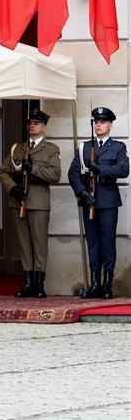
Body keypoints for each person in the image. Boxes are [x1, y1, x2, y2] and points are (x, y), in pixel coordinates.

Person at [0, 109, 61, 298]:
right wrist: (13, 188)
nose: (31, 126)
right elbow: (3, 171)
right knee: (24, 244)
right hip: (19, 201)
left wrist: (34, 168)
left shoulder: (51, 149)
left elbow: (55, 175)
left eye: (35, 123)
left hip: (38, 201)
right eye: (29, 123)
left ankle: (39, 283)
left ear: (43, 127)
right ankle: (27, 283)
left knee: (39, 244)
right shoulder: (17, 148)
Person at [68, 107, 129, 299]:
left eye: (102, 122)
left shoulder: (118, 147)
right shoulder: (84, 147)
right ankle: (95, 283)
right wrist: (82, 192)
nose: (98, 125)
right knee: (93, 243)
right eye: (96, 122)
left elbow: (123, 169)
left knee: (108, 242)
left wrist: (100, 168)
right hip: (90, 201)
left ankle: (107, 284)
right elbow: (73, 173)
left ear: (110, 125)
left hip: (108, 201)